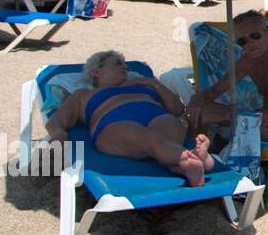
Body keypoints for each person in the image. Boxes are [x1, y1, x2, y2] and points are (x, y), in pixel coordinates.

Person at [43, 50, 211, 186]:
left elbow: (177, 109)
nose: (125, 68)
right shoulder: (83, 94)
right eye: (118, 64)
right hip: (115, 123)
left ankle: (183, 166)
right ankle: (192, 158)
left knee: (169, 125)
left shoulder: (143, 85)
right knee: (152, 139)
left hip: (157, 116)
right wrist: (59, 134)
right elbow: (56, 121)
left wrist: (153, 84)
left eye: (126, 66)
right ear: (97, 72)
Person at [188, 10, 268, 145]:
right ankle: (192, 155)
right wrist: (198, 99)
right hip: (264, 118)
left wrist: (226, 115)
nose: (250, 43)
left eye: (255, 36)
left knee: (243, 128)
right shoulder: (249, 60)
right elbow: (214, 91)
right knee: (201, 112)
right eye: (242, 41)